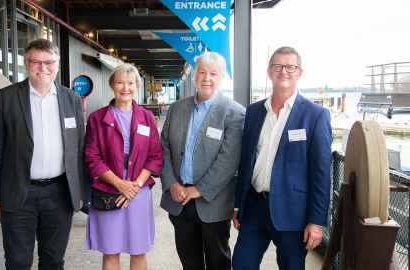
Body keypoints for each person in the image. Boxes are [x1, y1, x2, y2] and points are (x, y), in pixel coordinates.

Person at [0, 39, 85, 270]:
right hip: (18, 192)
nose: (43, 68)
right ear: (26, 64)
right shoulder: (6, 98)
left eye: (48, 62)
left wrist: (80, 192)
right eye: (36, 62)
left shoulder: (71, 99)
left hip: (59, 194)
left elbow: (78, 149)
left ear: (57, 64)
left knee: (53, 260)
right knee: (18, 261)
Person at [232, 46, 332, 270]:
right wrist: (238, 204)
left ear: (300, 72)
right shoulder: (254, 111)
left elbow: (321, 174)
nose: (283, 71)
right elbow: (246, 161)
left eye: (290, 66)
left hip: (293, 213)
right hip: (254, 207)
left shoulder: (315, 116)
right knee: (241, 264)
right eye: (278, 66)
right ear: (269, 71)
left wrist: (316, 222)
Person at [160, 51, 245, 270]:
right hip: (180, 201)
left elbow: (229, 160)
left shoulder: (234, 113)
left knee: (218, 262)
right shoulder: (177, 109)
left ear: (222, 77)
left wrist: (199, 189)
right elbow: (164, 148)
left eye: (213, 74)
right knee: (189, 262)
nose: (207, 78)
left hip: (213, 202)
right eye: (202, 72)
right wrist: (171, 184)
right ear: (195, 76)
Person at [84, 63, 162, 270]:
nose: (125, 88)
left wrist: (134, 185)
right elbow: (92, 157)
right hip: (109, 189)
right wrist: (120, 184)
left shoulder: (146, 117)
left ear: (137, 85)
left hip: (139, 189)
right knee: (111, 251)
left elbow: (155, 156)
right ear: (112, 85)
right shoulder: (97, 118)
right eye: (120, 82)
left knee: (138, 250)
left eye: (130, 83)